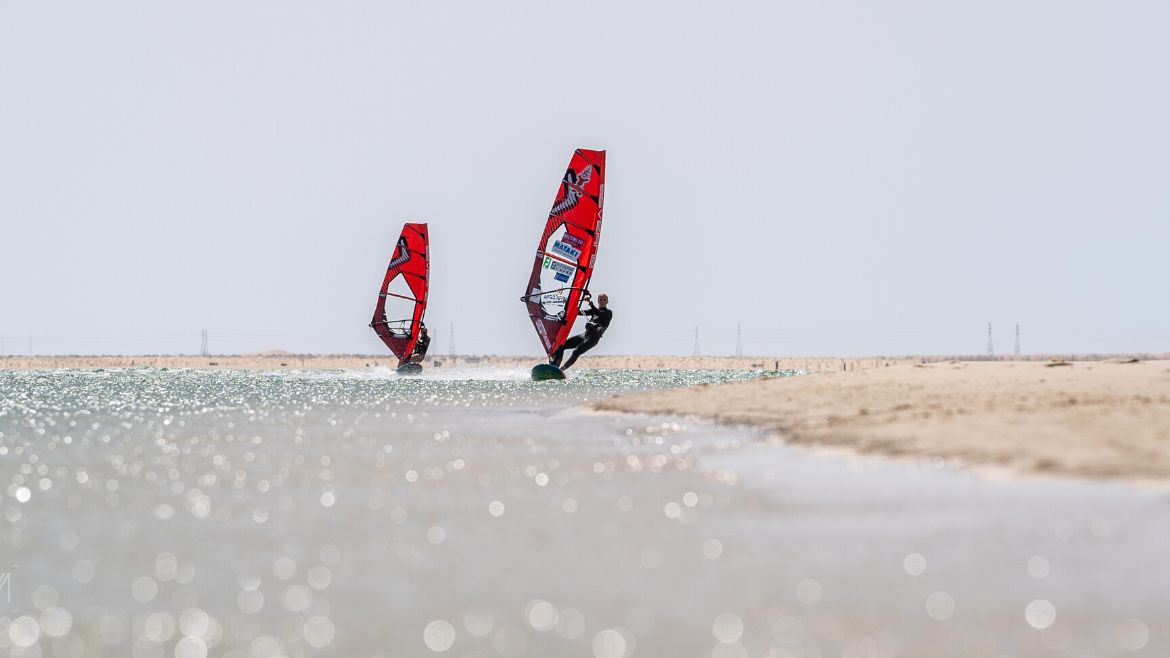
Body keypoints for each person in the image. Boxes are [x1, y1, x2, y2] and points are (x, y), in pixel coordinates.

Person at [551, 292, 611, 371]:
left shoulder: (608, 313)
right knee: (562, 345)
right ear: (598, 301)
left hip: (593, 338)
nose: (602, 301)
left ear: (607, 301)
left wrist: (590, 303)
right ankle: (554, 367)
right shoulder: (593, 311)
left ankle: (561, 370)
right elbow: (577, 312)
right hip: (584, 335)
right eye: (601, 300)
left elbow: (598, 313)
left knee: (576, 351)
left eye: (604, 300)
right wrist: (569, 304)